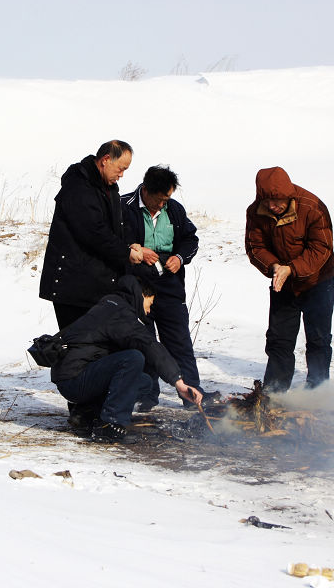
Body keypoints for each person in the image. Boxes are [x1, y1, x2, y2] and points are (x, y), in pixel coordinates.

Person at [51, 276, 202, 443]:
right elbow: (149, 344)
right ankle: (111, 425)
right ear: (142, 295)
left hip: (75, 376)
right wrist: (178, 382)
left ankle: (85, 412)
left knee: (143, 382)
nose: (149, 311)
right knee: (132, 358)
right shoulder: (119, 313)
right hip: (74, 378)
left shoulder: (111, 305)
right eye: (150, 304)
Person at [121, 165, 217, 410]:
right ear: (146, 191)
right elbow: (113, 242)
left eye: (168, 199)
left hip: (170, 285)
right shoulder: (124, 206)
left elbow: (190, 238)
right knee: (143, 341)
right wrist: (137, 252)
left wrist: (180, 258)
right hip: (137, 286)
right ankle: (146, 395)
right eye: (161, 199)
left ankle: (192, 393)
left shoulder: (174, 210)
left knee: (179, 340)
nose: (164, 204)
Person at [245, 167, 334, 392]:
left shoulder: (312, 206)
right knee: (279, 340)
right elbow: (255, 246)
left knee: (318, 339)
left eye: (279, 201)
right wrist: (274, 266)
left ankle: (318, 391)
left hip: (317, 282)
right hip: (282, 282)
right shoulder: (256, 211)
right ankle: (275, 392)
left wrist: (292, 269)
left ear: (289, 195)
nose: (274, 206)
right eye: (269, 202)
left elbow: (321, 247)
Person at [39, 140, 143, 330]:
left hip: (96, 284)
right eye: (120, 169)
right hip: (73, 286)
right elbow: (94, 231)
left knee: (97, 348)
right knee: (80, 347)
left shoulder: (108, 187)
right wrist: (125, 252)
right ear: (105, 160)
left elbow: (119, 223)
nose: (121, 175)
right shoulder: (78, 187)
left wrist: (130, 244)